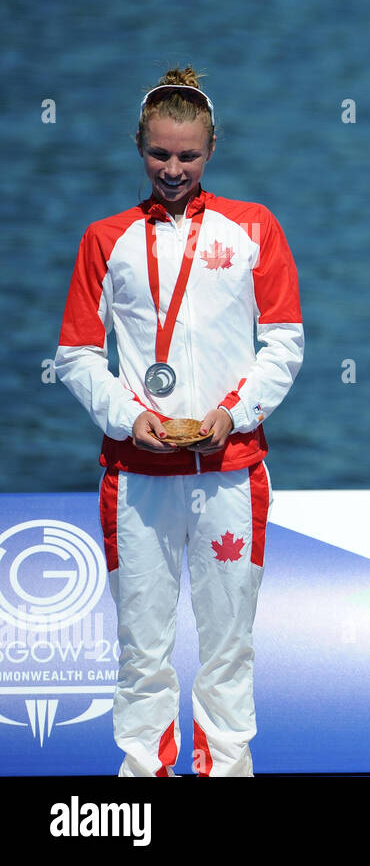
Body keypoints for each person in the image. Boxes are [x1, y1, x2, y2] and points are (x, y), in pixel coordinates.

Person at [55, 67, 304, 776]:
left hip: (231, 469)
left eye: (187, 155)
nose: (172, 169)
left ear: (212, 149)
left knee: (229, 646)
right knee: (142, 647)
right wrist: (129, 416)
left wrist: (235, 412)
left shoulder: (253, 227)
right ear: (140, 147)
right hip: (138, 475)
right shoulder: (107, 239)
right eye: (159, 154)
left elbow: (284, 342)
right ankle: (143, 781)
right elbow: (75, 356)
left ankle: (227, 770)